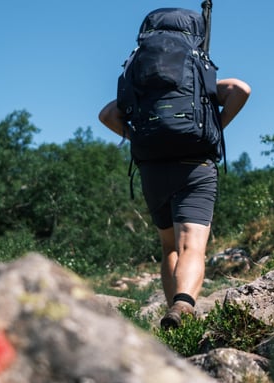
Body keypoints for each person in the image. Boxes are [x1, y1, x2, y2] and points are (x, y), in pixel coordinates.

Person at [99, 78, 251, 329]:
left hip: (153, 169)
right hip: (195, 165)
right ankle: (183, 304)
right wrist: (216, 126)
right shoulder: (198, 78)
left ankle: (174, 320)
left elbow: (106, 115)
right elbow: (241, 90)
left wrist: (135, 136)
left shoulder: (142, 86)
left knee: (170, 245)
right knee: (191, 245)